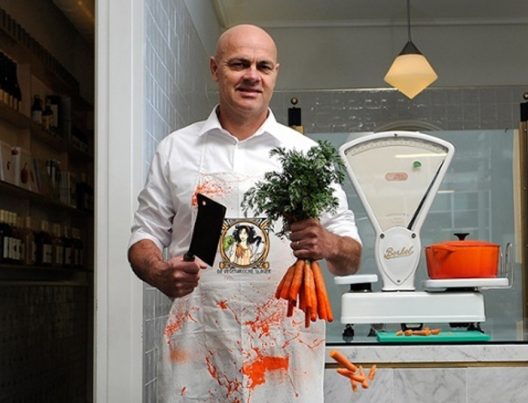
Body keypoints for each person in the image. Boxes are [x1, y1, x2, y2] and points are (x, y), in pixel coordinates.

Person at [128, 24, 361, 403]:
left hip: (284, 358)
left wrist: (330, 243)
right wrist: (157, 272)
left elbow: (351, 258)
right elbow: (144, 235)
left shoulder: (305, 154)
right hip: (199, 353)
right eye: (239, 64)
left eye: (263, 66)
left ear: (275, 74)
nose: (252, 75)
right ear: (214, 68)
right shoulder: (176, 149)